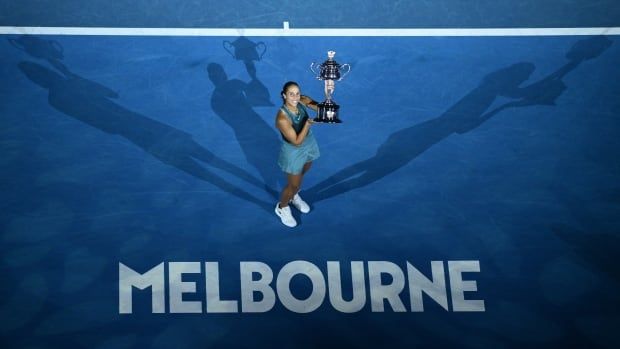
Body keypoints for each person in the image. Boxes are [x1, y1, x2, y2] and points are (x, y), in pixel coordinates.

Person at [274, 81, 320, 227]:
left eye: (297, 93)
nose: (295, 97)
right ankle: (282, 207)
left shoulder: (301, 99)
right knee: (293, 185)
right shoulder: (282, 118)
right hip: (294, 150)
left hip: (309, 143)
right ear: (284, 95)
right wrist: (307, 123)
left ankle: (294, 197)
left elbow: (319, 108)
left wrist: (327, 98)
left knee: (304, 171)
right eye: (291, 94)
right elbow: (296, 142)